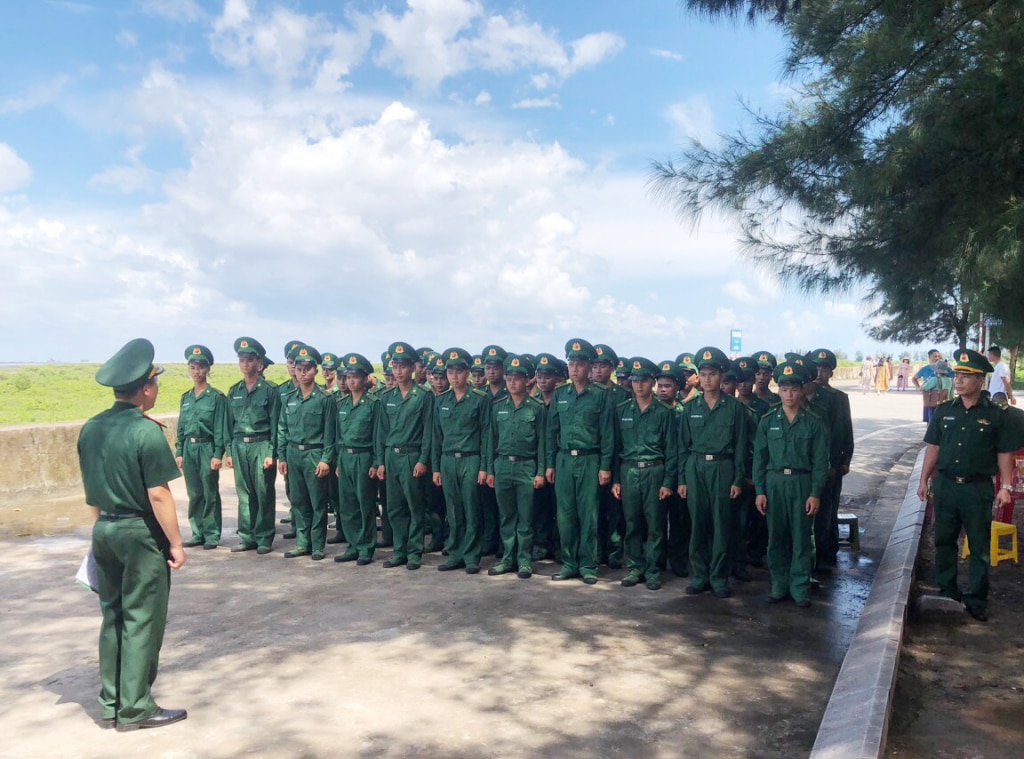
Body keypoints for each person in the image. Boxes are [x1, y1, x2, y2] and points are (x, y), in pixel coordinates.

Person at [78, 338, 188, 731]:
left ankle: (111, 702)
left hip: (103, 528)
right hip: (138, 533)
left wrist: (102, 525)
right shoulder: (146, 432)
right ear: (144, 388)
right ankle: (136, 706)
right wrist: (175, 543)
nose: (157, 389)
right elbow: (158, 494)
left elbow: (91, 490)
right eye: (155, 382)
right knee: (142, 617)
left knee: (113, 616)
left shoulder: (91, 428)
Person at [917, 349, 1021, 621]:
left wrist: (1006, 487)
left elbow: (1004, 453)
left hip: (977, 489)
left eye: (966, 376)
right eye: (957, 375)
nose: (959, 380)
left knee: (979, 545)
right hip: (946, 486)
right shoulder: (944, 411)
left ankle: (976, 598)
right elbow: (933, 448)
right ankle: (948, 589)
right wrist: (923, 479)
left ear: (980, 380)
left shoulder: (996, 414)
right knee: (944, 540)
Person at [753, 360, 829, 607]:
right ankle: (779, 584)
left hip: (801, 482)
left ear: (801, 390)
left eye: (794, 389)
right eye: (784, 389)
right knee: (776, 537)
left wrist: (815, 493)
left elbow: (820, 463)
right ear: (778, 390)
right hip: (775, 482)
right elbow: (760, 459)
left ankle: (799, 586)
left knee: (801, 537)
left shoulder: (814, 422)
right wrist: (760, 491)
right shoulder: (767, 420)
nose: (789, 394)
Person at [677, 346, 748, 599]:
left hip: (723, 468)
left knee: (721, 524)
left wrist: (738, 479)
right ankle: (700, 575)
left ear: (721, 376)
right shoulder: (690, 407)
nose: (708, 379)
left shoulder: (734, 408)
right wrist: (682, 479)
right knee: (698, 524)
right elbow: (682, 448)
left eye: (713, 374)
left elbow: (740, 447)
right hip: (695, 468)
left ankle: (718, 577)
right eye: (703, 374)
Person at [546, 338, 615, 584]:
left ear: (588, 366)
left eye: (580, 364)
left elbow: (608, 433)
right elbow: (551, 432)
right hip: (564, 459)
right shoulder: (560, 394)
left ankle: (588, 565)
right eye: (571, 363)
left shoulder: (600, 395)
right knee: (565, 515)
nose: (575, 368)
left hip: (590, 460)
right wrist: (550, 464)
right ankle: (569, 563)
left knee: (589, 515)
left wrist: (606, 465)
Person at [612, 357, 676, 591]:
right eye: (635, 380)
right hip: (628, 471)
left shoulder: (663, 412)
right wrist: (616, 479)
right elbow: (616, 448)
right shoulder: (622, 411)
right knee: (632, 523)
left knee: (655, 525)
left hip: (654, 471)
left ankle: (653, 571)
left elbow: (671, 451)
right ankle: (634, 568)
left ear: (653, 383)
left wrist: (668, 481)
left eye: (644, 380)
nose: (639, 385)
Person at [487, 354, 547, 579]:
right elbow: (491, 442)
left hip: (525, 467)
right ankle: (507, 559)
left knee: (525, 518)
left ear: (527, 381)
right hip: (502, 466)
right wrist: (490, 469)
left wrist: (540, 471)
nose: (512, 382)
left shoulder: (537, 407)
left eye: (517, 378)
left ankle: (524, 560)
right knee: (506, 517)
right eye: (509, 378)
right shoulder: (498, 407)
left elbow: (543, 443)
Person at [375, 341, 434, 570]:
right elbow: (381, 432)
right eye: (395, 366)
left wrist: (422, 459)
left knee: (415, 507)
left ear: (412, 368)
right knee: (394, 508)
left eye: (403, 366)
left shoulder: (423, 396)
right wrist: (380, 461)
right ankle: (399, 551)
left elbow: (428, 431)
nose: (398, 371)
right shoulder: (386, 397)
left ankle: (414, 552)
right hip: (391, 456)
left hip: (412, 456)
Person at [431, 348, 490, 574]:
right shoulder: (442, 401)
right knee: (453, 510)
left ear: (467, 373)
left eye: (459, 371)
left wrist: (484, 467)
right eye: (450, 372)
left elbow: (486, 435)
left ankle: (471, 556)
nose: (454, 376)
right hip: (447, 461)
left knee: (471, 509)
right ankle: (455, 553)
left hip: (471, 459)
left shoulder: (479, 399)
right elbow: (437, 436)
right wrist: (436, 468)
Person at [276, 345, 336, 561]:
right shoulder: (289, 397)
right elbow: (282, 428)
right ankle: (303, 542)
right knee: (299, 502)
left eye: (307, 369)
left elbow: (330, 432)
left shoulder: (324, 398)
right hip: (293, 454)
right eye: (299, 368)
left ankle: (317, 544)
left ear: (315, 371)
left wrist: (326, 459)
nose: (302, 373)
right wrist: (282, 456)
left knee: (318, 502)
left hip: (314, 454)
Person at [225, 337, 280, 555]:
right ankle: (247, 536)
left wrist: (271, 452)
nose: (245, 364)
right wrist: (229, 451)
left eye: (250, 360)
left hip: (261, 443)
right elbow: (229, 425)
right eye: (242, 360)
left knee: (263, 491)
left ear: (259, 363)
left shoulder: (269, 390)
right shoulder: (234, 390)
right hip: (240, 445)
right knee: (244, 493)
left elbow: (276, 424)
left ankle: (265, 537)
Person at [175, 345, 228, 550]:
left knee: (209, 492)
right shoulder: (186, 398)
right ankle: (197, 532)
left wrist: (217, 454)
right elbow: (181, 426)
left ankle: (212, 534)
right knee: (194, 493)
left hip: (207, 447)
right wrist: (179, 451)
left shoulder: (216, 397)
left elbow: (220, 428)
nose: (196, 371)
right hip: (189, 448)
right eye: (193, 367)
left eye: (201, 367)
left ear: (208, 370)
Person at [332, 353, 381, 565]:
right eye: (347, 377)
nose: (351, 381)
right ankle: (352, 545)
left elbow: (379, 435)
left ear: (364, 378)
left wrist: (376, 462)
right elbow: (337, 436)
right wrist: (337, 462)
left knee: (365, 505)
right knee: (348, 506)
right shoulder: (341, 404)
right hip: (346, 458)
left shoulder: (373, 403)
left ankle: (366, 548)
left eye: (356, 377)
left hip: (364, 457)